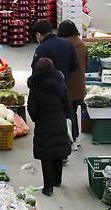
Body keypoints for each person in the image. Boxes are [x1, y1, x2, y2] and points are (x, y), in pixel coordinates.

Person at [27, 58, 72, 196]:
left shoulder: (35, 86)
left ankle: (48, 187)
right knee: (58, 150)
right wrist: (66, 115)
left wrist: (36, 118)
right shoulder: (60, 82)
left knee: (46, 154)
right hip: (58, 119)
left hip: (43, 122)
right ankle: (57, 180)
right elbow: (67, 101)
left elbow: (31, 107)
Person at [57, 20, 87, 148]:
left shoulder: (65, 46)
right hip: (80, 85)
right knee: (73, 111)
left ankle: (72, 138)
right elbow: (86, 64)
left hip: (70, 86)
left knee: (68, 114)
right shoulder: (82, 44)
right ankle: (76, 137)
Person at [31, 19, 78, 87]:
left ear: (38, 34)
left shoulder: (41, 48)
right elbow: (75, 65)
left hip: (48, 89)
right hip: (64, 86)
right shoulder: (67, 42)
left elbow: (35, 71)